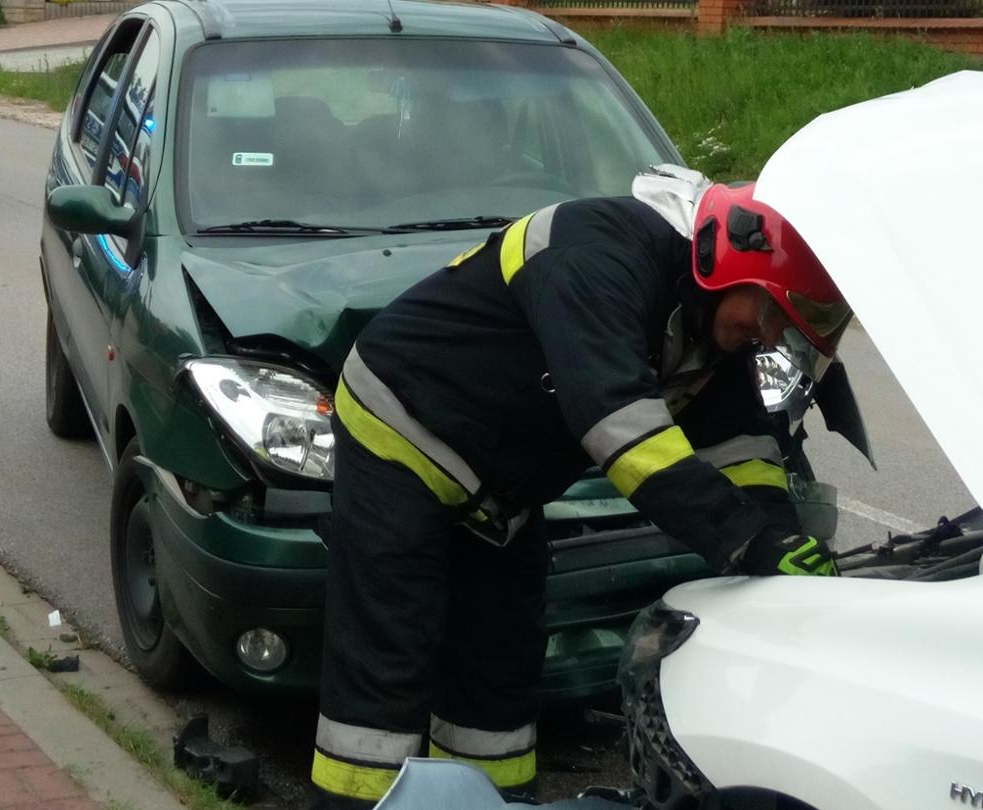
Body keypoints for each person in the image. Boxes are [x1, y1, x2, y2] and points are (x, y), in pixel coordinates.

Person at [310, 165, 853, 808]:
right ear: (734, 269)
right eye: (768, 315)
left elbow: (744, 450)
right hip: (402, 428)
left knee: (501, 661)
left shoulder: (713, 324)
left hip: (501, 485)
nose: (766, 336)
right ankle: (360, 803)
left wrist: (780, 540)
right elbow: (620, 428)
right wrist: (748, 542)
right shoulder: (597, 255)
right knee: (389, 659)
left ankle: (496, 805)